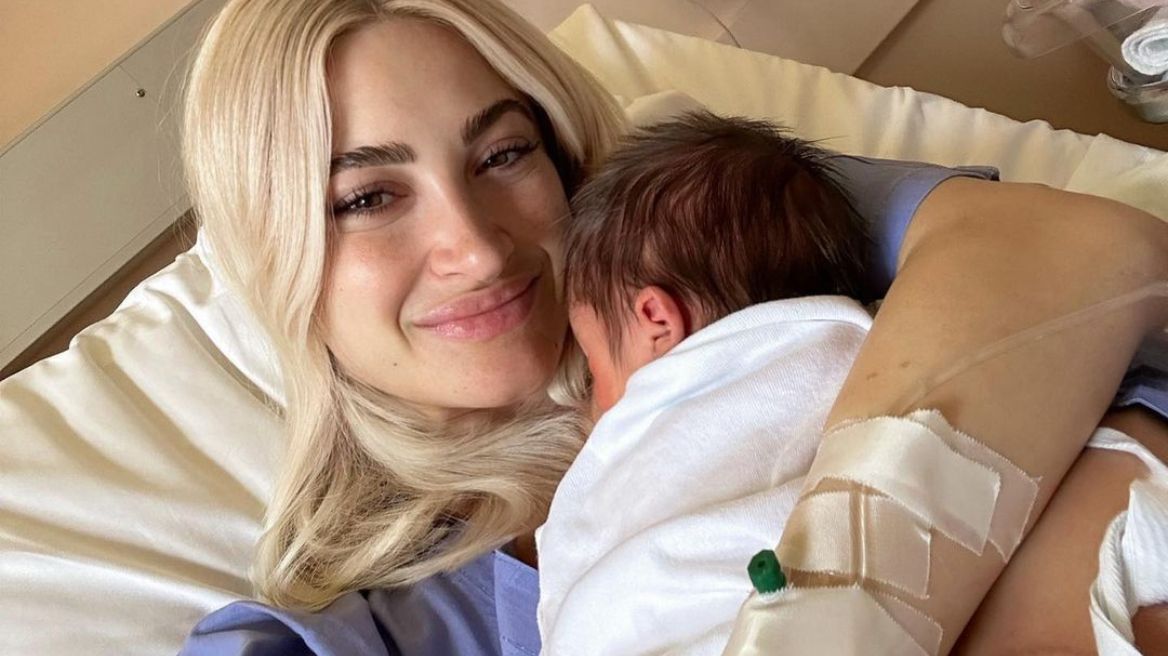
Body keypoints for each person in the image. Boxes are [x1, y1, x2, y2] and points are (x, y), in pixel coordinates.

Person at [177, 0, 1168, 654]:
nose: (474, 248)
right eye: (365, 198)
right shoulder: (359, 633)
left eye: (504, 154)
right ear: (274, 254)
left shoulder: (704, 246)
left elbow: (1088, 253)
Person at [548, 110, 1168, 654]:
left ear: (657, 318)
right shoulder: (861, 345)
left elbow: (1089, 245)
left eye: (595, 368)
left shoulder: (653, 426)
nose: (590, 404)